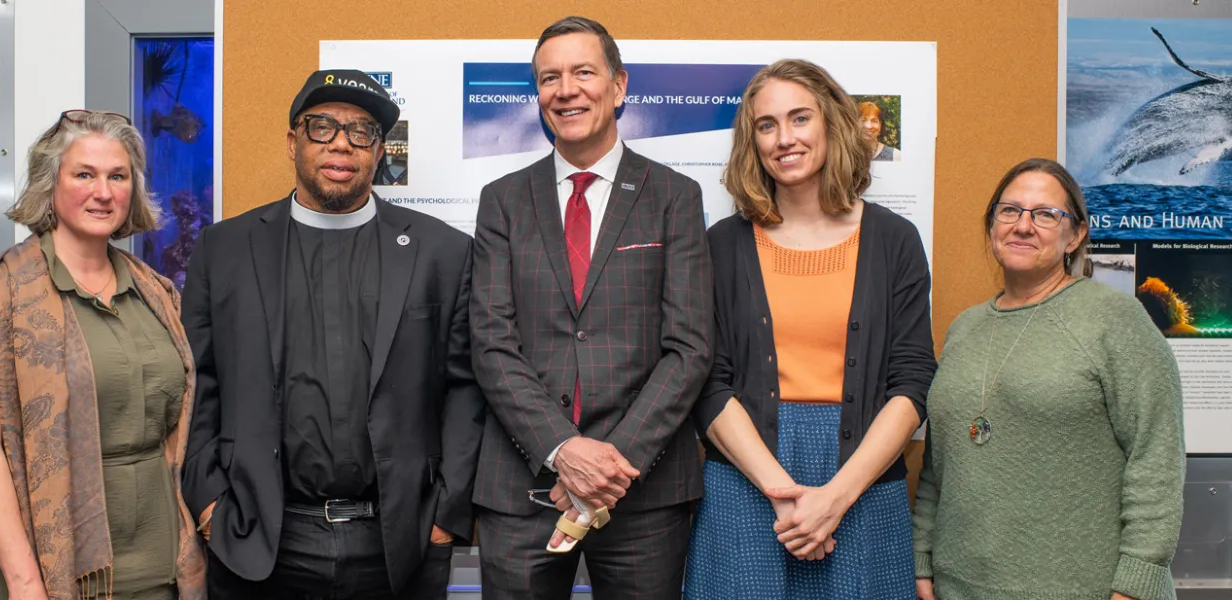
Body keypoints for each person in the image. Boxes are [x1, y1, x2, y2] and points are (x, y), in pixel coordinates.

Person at [180, 68, 484, 599]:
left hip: (399, 543)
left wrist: (445, 518)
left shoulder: (443, 253)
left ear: (379, 150)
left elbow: (466, 388)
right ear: (293, 140)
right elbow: (198, 383)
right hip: (257, 539)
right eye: (322, 126)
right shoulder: (224, 250)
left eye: (361, 131)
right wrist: (210, 505)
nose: (341, 143)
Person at [469, 16, 713, 600]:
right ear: (538, 97)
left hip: (644, 488)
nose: (566, 89)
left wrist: (608, 467)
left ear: (619, 86)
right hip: (524, 484)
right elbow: (491, 343)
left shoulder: (674, 196)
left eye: (583, 71)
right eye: (550, 78)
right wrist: (563, 451)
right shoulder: (501, 201)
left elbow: (689, 348)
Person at [685, 60, 935, 600]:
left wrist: (836, 497)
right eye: (766, 125)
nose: (784, 138)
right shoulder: (722, 245)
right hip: (745, 486)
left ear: (832, 124)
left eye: (800, 118)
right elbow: (709, 382)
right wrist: (783, 493)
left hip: (863, 487)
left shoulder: (894, 241)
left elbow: (912, 381)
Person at [0, 109, 207, 600]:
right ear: (51, 185)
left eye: (118, 176)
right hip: (58, 571)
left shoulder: (156, 293)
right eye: (84, 175)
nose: (104, 192)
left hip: (166, 564)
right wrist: (25, 584)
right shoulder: (2, 297)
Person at [912, 158, 1185, 600]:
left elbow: (1156, 456)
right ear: (992, 225)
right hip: (959, 585)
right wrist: (922, 555)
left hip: (1083, 589)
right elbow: (939, 466)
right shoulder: (965, 328)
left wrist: (1138, 581)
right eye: (1010, 210)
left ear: (1074, 236)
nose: (1023, 225)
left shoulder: (1113, 319)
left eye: (1045, 214)